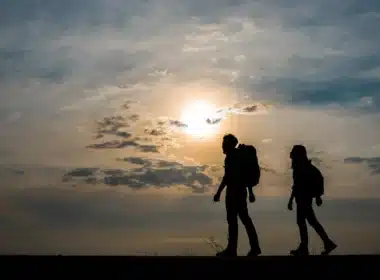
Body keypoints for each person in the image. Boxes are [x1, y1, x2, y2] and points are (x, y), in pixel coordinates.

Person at [213, 134, 261, 257]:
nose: (222, 146)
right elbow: (245, 175)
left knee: (233, 221)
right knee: (245, 219)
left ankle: (232, 250)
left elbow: (227, 177)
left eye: (224, 144)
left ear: (229, 145)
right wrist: (250, 192)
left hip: (233, 192)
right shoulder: (239, 156)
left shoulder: (231, 157)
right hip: (241, 192)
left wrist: (218, 192)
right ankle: (254, 247)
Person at [287, 145, 337, 256]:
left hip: (303, 199)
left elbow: (297, 185)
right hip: (304, 199)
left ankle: (305, 247)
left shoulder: (302, 168)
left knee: (302, 222)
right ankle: (327, 243)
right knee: (311, 222)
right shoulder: (306, 167)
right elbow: (297, 185)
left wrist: (291, 200)